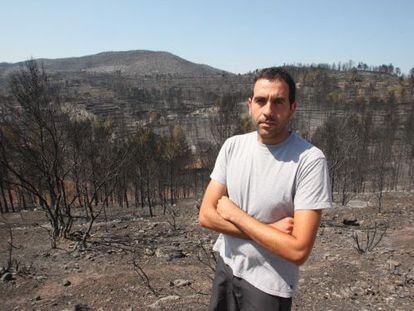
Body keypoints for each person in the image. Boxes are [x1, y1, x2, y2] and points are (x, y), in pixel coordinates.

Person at [199, 67, 332, 311]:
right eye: (261, 100)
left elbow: (298, 249)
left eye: (278, 102)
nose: (268, 110)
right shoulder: (233, 146)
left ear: (293, 108)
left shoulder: (310, 160)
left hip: (268, 283)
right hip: (227, 265)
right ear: (250, 104)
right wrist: (270, 231)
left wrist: (234, 214)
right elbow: (206, 216)